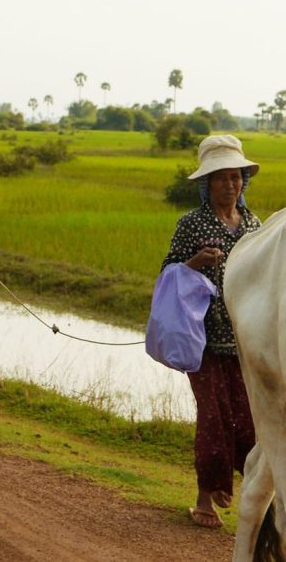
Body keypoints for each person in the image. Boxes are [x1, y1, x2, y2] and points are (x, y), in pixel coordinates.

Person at [161, 134, 261, 529]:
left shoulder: (254, 225)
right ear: (207, 183)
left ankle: (252, 496)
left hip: (245, 342)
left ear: (243, 181)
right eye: (221, 178)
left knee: (250, 418)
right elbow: (168, 273)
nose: (230, 185)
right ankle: (207, 497)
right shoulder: (191, 224)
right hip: (201, 340)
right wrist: (194, 262)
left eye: (235, 177)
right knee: (213, 416)